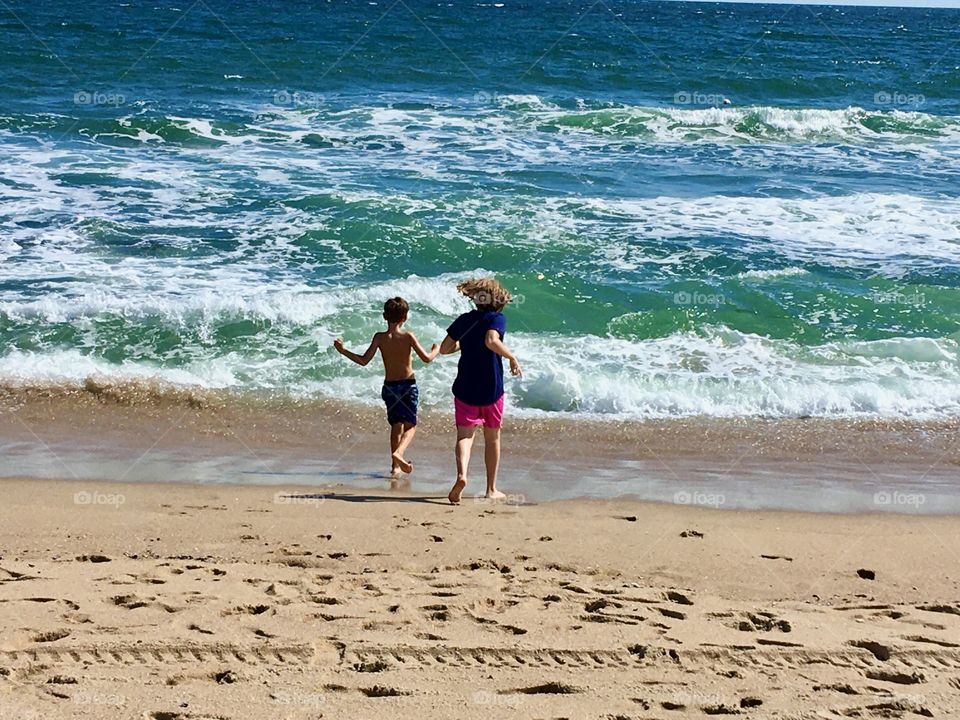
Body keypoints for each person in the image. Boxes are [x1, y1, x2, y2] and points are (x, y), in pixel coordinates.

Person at [334, 297, 438, 478]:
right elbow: (427, 359)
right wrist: (436, 349)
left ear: (384, 316)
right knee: (411, 426)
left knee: (396, 426)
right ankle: (399, 453)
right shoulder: (408, 337)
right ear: (405, 317)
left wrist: (343, 351)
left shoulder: (379, 338)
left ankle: (395, 467)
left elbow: (363, 361)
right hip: (408, 385)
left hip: (390, 387)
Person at [439, 278, 522, 505]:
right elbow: (491, 340)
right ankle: (491, 489)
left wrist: (464, 343)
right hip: (491, 388)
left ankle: (462, 476)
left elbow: (445, 349)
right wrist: (511, 357)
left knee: (465, 436)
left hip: (465, 386)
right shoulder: (496, 318)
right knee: (492, 437)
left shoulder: (464, 320)